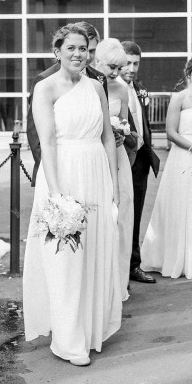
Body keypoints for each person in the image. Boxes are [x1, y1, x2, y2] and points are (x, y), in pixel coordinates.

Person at [22, 23, 123, 366]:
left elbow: (108, 136)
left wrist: (115, 184)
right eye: (71, 48)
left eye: (84, 48)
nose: (79, 54)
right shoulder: (45, 88)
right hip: (63, 173)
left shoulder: (97, 86)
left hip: (96, 171)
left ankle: (90, 329)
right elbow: (46, 142)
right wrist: (57, 194)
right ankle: (66, 340)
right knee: (64, 259)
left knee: (94, 252)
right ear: (57, 52)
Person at [140, 54, 192, 280]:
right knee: (182, 205)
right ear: (189, 73)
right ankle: (179, 257)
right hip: (184, 157)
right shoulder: (178, 98)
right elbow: (171, 133)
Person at [26, 21, 108, 186]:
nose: (85, 55)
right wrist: (49, 171)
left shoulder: (99, 79)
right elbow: (36, 133)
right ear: (59, 52)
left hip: (93, 165)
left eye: (88, 50)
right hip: (60, 166)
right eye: (71, 48)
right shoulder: (45, 81)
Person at [94, 38, 137, 301]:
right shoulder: (87, 88)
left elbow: (125, 123)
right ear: (97, 61)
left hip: (118, 156)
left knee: (122, 217)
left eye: (118, 68)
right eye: (111, 67)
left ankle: (118, 282)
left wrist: (122, 132)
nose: (115, 73)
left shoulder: (121, 91)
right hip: (95, 156)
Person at [121, 41, 160, 286]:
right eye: (127, 63)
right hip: (122, 160)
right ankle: (118, 267)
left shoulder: (139, 89)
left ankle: (134, 265)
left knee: (135, 215)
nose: (131, 68)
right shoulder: (109, 89)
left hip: (141, 162)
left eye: (136, 63)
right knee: (120, 216)